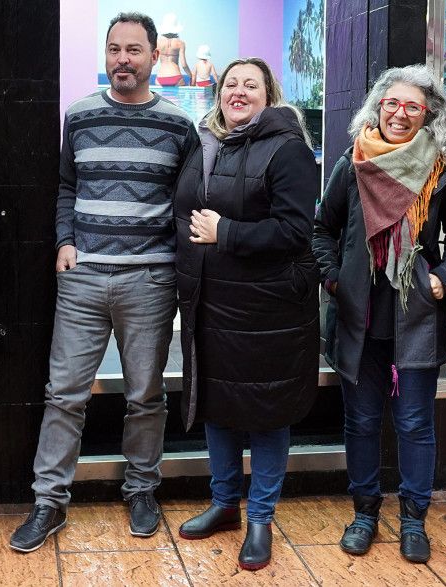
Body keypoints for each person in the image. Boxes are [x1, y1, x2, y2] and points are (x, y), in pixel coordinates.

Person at [9, 12, 198, 553]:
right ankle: (49, 503)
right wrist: (64, 243)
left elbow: (186, 206)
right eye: (114, 49)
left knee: (145, 395)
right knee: (64, 395)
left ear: (155, 55)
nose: (122, 59)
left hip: (150, 280)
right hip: (84, 277)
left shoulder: (179, 124)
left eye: (133, 50)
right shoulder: (81, 114)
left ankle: (141, 489)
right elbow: (67, 185)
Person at [312, 64, 446, 564]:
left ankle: (414, 521)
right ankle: (364, 514)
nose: (400, 114)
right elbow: (322, 229)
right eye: (392, 103)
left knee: (416, 423)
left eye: (412, 107)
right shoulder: (352, 162)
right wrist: (334, 278)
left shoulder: (441, 170)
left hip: (417, 314)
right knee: (360, 422)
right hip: (359, 316)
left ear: (429, 115)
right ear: (378, 106)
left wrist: (445, 274)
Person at [172, 57, 321, 572]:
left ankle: (260, 518)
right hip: (212, 301)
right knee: (217, 403)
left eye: (249, 85)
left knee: (266, 411)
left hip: (267, 308)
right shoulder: (205, 142)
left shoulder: (289, 149)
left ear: (268, 93)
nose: (238, 92)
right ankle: (224, 504)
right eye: (231, 84)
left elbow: (296, 230)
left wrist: (227, 234)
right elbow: (185, 214)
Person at [154, 13, 189, 86]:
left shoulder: (157, 43)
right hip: (176, 76)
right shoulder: (180, 43)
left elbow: (151, 62)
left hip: (161, 77)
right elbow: (184, 65)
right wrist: (191, 75)